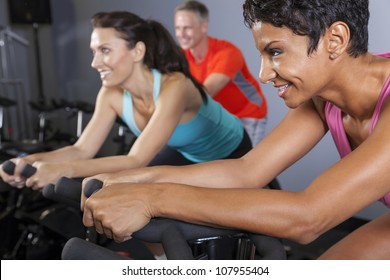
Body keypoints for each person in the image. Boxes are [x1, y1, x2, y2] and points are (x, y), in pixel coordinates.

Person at [82, 0, 390, 259]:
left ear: (335, 40)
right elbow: (247, 170)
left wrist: (152, 198)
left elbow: (308, 217)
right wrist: (132, 178)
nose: (263, 73)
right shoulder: (323, 99)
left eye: (276, 52)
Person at [0, 11, 251, 191]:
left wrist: (61, 170)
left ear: (138, 52)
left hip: (231, 153)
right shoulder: (111, 93)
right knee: (140, 202)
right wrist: (30, 161)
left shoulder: (175, 86)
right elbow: (82, 150)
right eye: (94, 52)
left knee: (150, 193)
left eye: (105, 50)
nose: (94, 62)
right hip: (188, 154)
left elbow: (136, 160)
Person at [174, 0, 268, 146]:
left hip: (248, 114)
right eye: (177, 28)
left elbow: (205, 93)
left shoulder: (227, 53)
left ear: (204, 26)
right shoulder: (181, 57)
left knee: (245, 165)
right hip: (220, 116)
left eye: (187, 28)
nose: (181, 34)